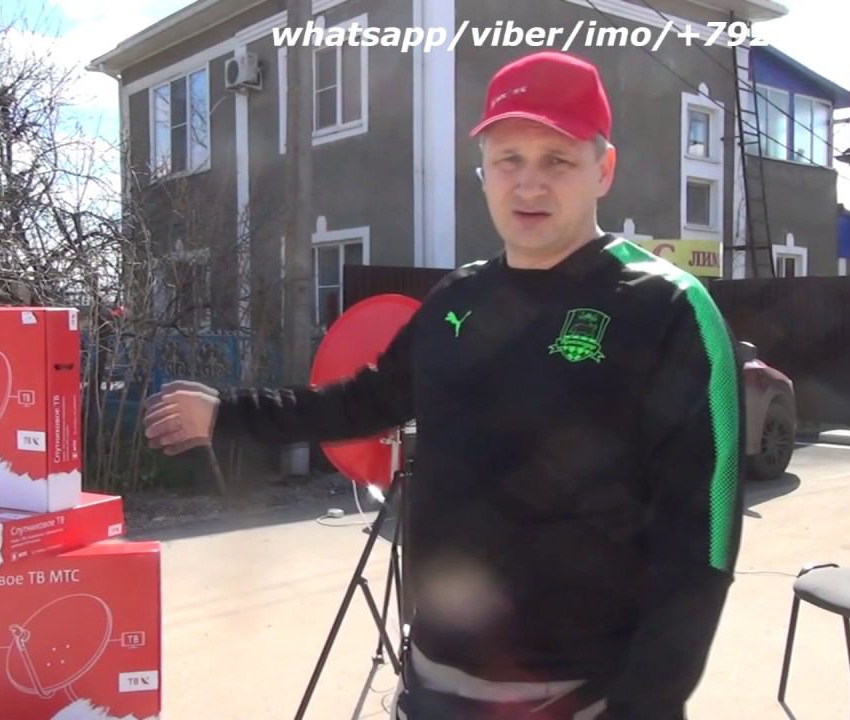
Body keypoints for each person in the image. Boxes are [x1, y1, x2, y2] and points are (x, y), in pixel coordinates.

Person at [143, 50, 744, 720]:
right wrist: (229, 414)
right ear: (483, 170)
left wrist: (645, 704)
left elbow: (704, 534)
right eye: (509, 159)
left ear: (603, 170)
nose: (529, 184)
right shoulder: (457, 300)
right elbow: (363, 401)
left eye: (557, 160)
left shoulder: (667, 308)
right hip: (434, 679)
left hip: (583, 694)